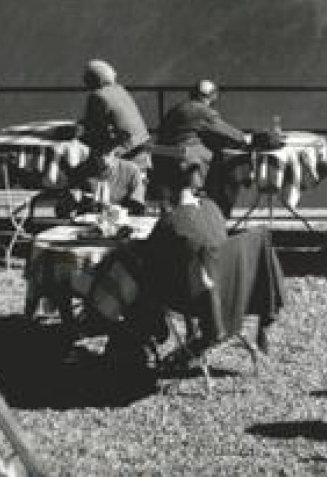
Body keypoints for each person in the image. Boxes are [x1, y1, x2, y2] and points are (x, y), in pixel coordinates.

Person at [141, 157, 230, 352]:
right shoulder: (213, 208)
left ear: (168, 191)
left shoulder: (171, 223)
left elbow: (149, 259)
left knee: (139, 277)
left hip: (191, 297)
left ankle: (151, 332)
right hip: (226, 286)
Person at [153, 80, 259, 213]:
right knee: (225, 163)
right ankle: (219, 208)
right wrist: (246, 138)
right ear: (213, 96)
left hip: (162, 157)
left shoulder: (177, 109)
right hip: (186, 157)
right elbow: (229, 133)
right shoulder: (204, 111)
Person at [76, 60, 151, 212]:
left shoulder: (97, 96)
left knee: (83, 167)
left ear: (92, 80)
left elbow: (92, 129)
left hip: (123, 150)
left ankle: (89, 205)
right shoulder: (120, 90)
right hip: (141, 148)